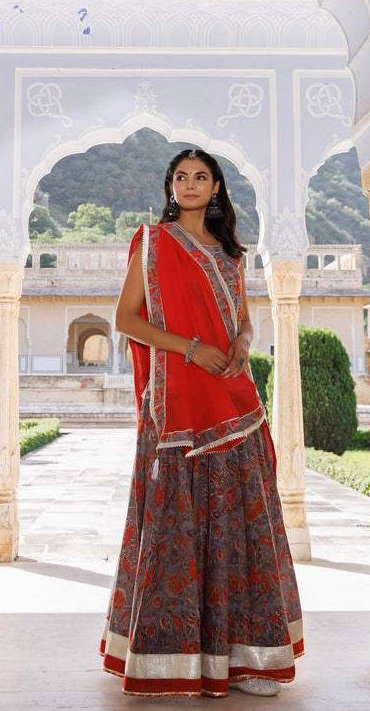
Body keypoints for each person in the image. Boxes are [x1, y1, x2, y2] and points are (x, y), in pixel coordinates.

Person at [100, 148, 303, 698]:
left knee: (243, 525)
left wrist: (239, 342)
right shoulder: (154, 243)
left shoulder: (233, 255)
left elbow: (243, 321)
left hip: (234, 403)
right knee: (176, 526)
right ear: (171, 186)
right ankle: (177, 660)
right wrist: (191, 349)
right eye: (181, 177)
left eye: (201, 177)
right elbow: (126, 320)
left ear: (216, 188)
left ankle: (249, 657)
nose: (190, 184)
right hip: (178, 406)